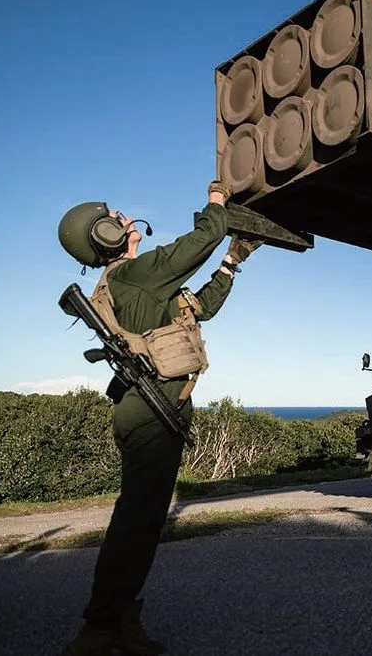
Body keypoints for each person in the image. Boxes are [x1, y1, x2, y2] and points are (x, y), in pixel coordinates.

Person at [56, 180, 260, 655]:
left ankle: (121, 620)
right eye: (117, 217)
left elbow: (198, 309)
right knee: (136, 521)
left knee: (143, 521)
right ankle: (99, 628)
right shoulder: (134, 276)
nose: (127, 220)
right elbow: (195, 246)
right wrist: (217, 204)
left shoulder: (134, 284)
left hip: (155, 407)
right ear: (104, 233)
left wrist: (232, 262)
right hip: (150, 409)